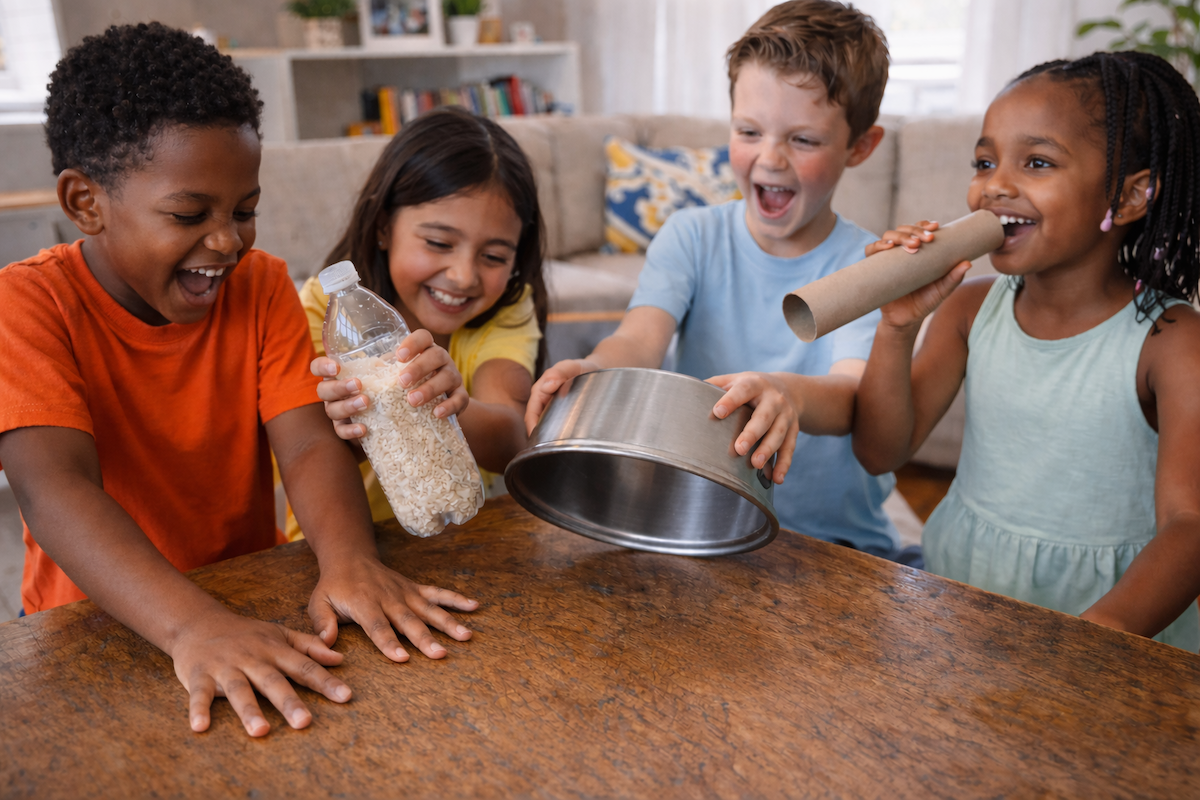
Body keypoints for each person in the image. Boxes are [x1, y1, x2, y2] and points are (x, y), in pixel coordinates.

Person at [0, 23, 479, 738]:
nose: (227, 240)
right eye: (189, 214)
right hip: (98, 624)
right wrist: (194, 628)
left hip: (253, 599)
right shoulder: (26, 305)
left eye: (244, 210)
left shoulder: (259, 287)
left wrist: (349, 562)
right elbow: (56, 491)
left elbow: (311, 447)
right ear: (84, 202)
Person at [524, 0, 904, 558]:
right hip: (703, 521)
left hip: (832, 543)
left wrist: (786, 393)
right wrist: (593, 370)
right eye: (749, 131)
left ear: (860, 147)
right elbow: (639, 339)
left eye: (803, 140)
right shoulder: (691, 236)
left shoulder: (869, 266)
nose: (770, 159)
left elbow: (850, 398)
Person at [851, 52, 1200, 650]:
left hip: (1106, 625)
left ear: (1132, 195)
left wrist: (1098, 639)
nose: (994, 187)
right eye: (984, 162)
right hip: (964, 590)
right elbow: (882, 450)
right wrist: (897, 326)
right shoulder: (969, 308)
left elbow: (1189, 524)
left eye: (1037, 162)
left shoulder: (1171, 341)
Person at [299, 106, 546, 537]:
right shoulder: (324, 311)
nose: (464, 276)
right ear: (382, 227)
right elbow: (309, 455)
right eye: (438, 242)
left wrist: (444, 403)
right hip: (351, 543)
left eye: (493, 257)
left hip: (468, 539)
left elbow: (512, 434)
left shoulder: (506, 307)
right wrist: (353, 416)